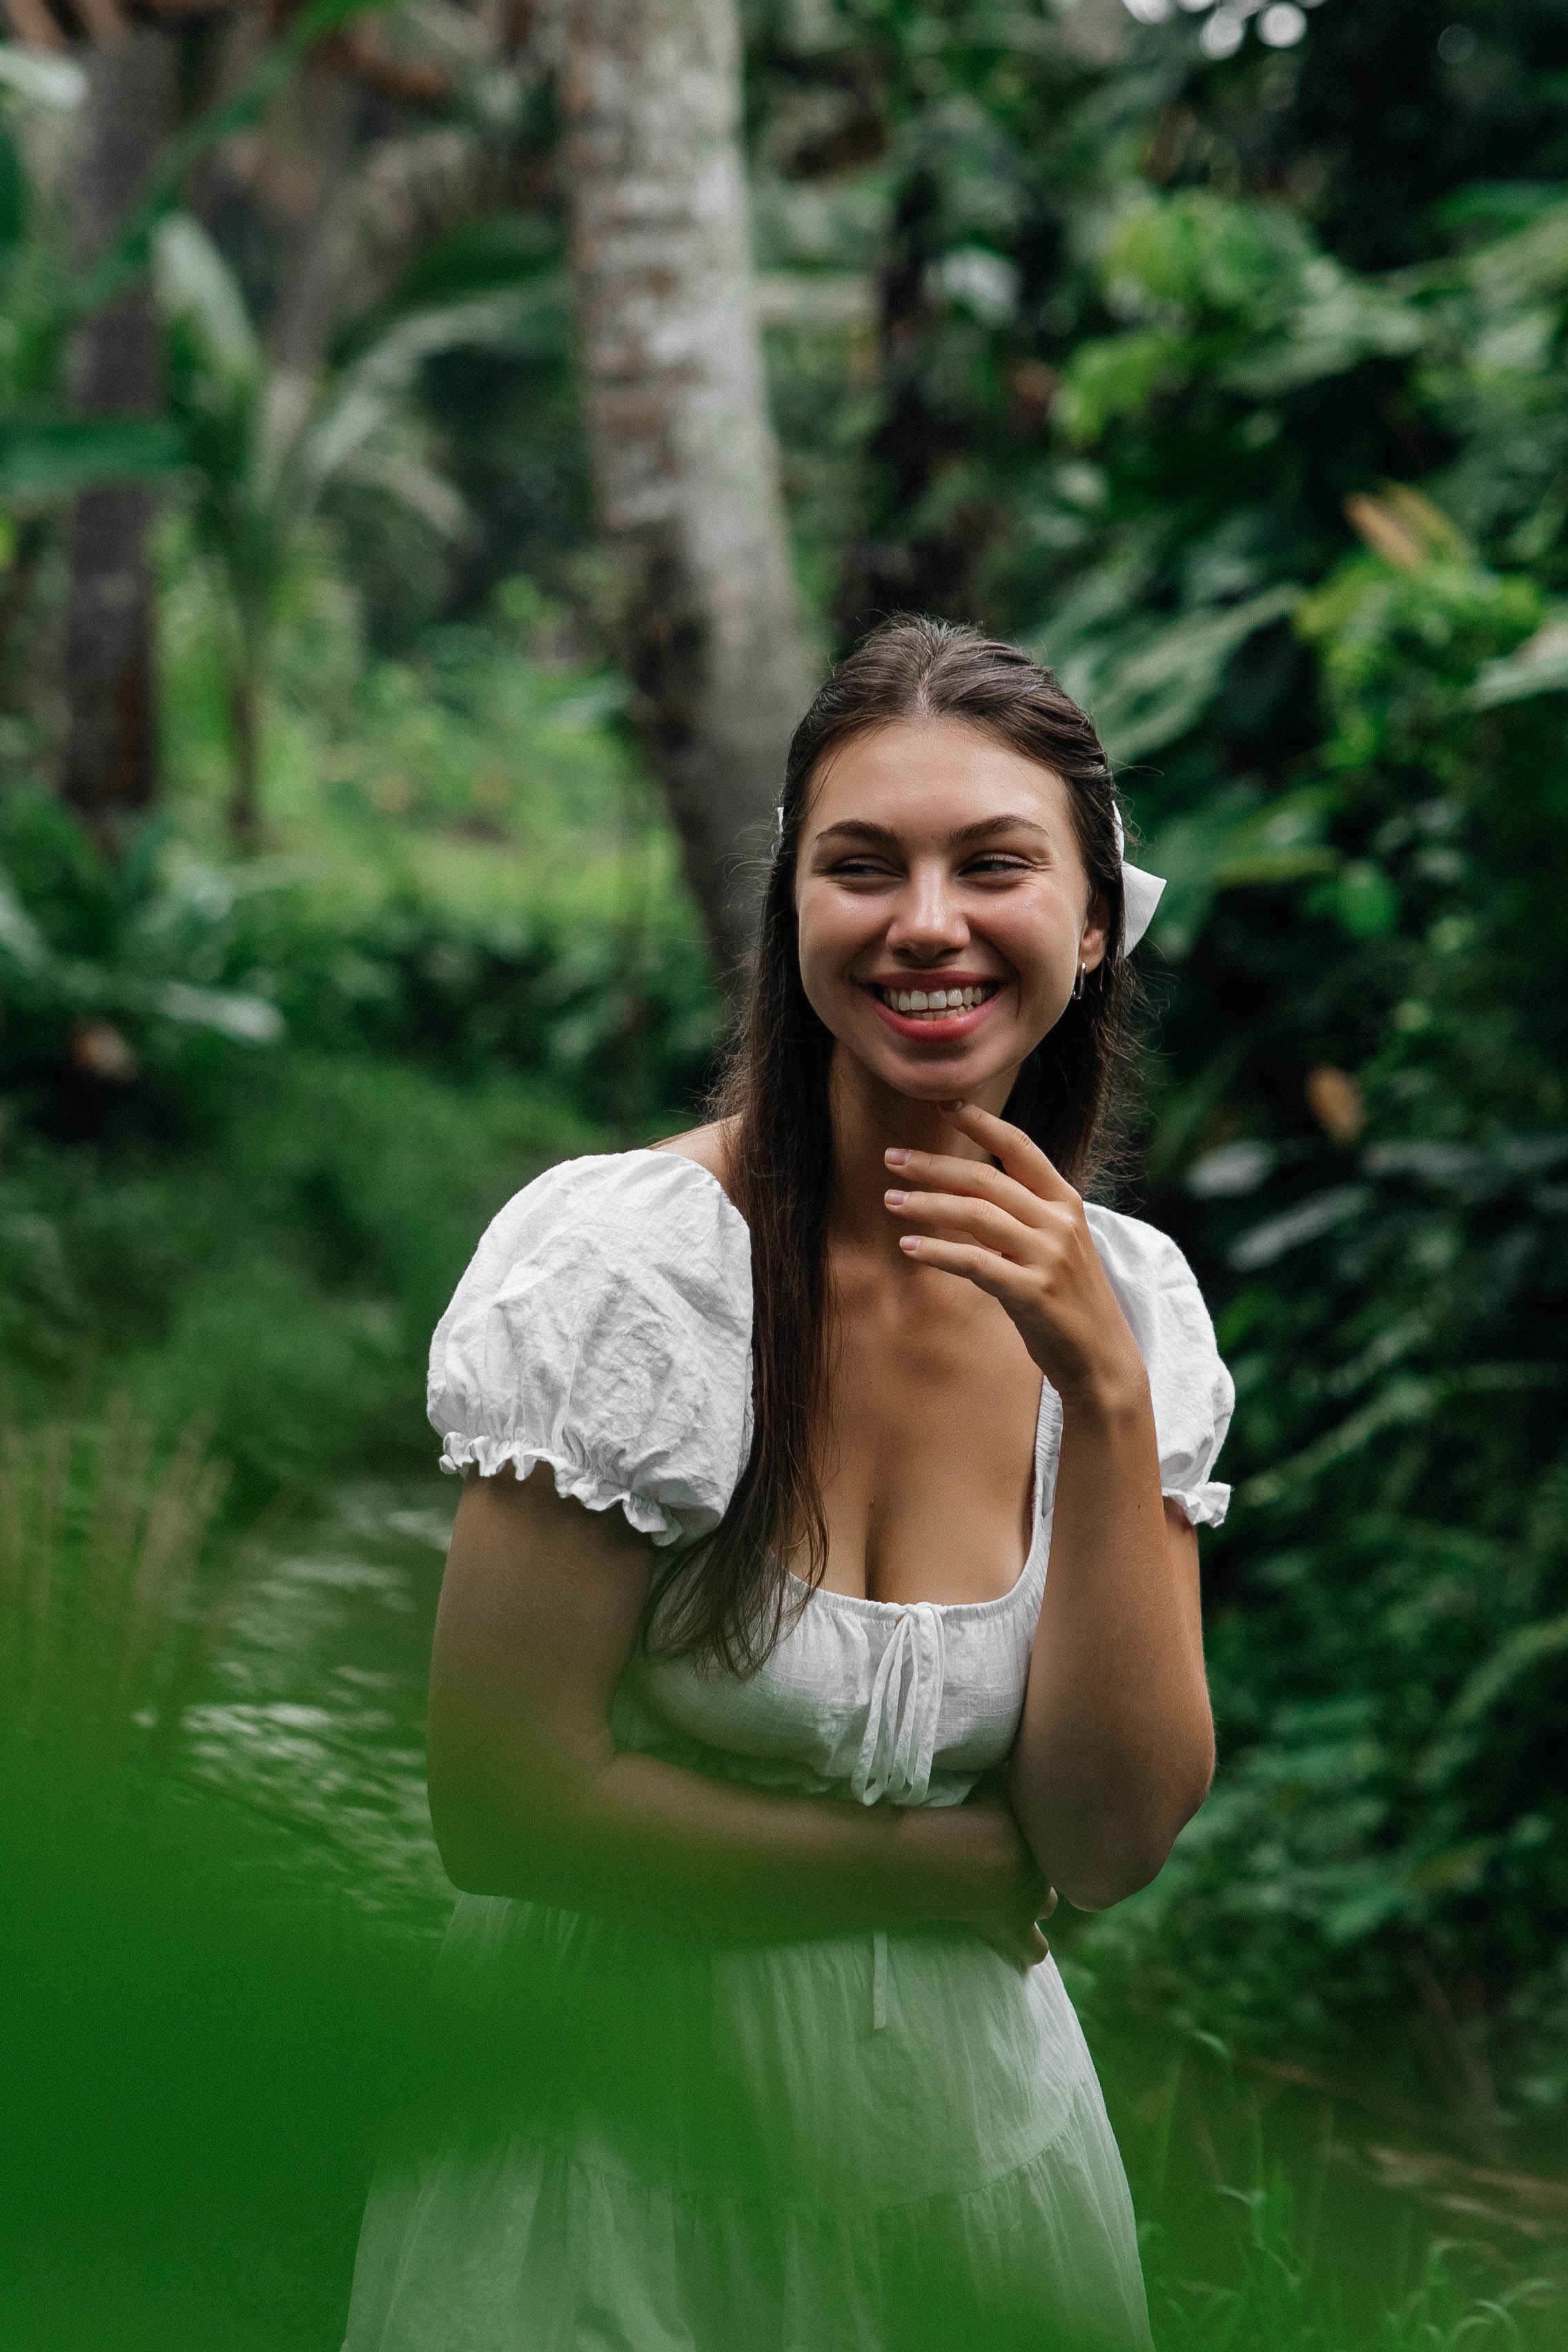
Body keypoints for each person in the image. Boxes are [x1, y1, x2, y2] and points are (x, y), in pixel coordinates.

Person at [342, 616, 1234, 2351]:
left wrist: (1105, 1401)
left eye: (993, 865)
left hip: (976, 2175)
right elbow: (505, 1805)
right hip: (601, 2160)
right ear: (793, 916)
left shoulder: (1132, 1311)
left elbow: (1111, 1842)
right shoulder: (632, 1274)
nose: (925, 923)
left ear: (1092, 925)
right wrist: (911, 1871)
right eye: (860, 867)